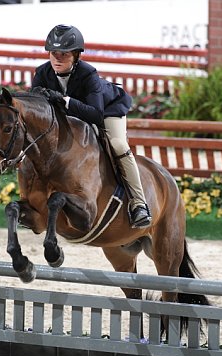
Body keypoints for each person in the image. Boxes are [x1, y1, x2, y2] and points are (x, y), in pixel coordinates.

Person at [31, 24, 152, 228]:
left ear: (77, 55)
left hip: (108, 110)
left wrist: (64, 99)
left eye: (64, 54)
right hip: (71, 116)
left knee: (118, 146)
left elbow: (95, 115)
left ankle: (138, 204)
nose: (57, 58)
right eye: (53, 53)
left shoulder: (88, 74)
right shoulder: (42, 73)